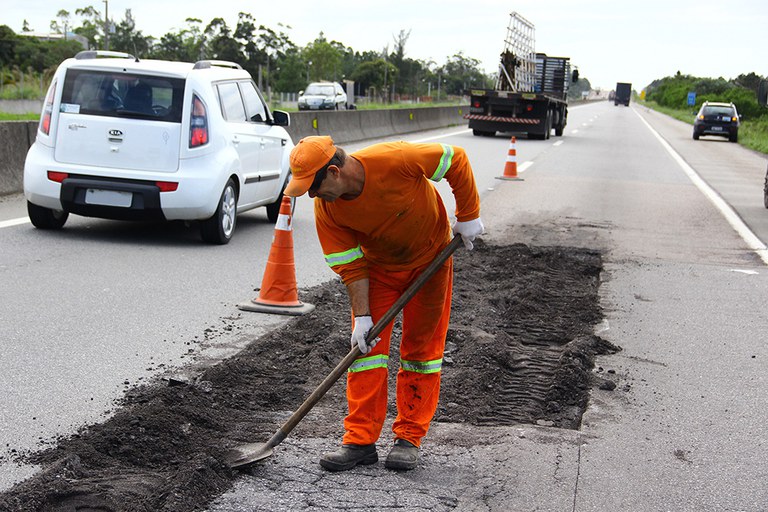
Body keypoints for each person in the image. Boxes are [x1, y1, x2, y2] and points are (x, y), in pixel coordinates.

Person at [284, 135, 483, 471]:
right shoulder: (328, 209)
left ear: (334, 172)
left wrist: (468, 215)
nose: (313, 196)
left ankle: (409, 437)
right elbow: (350, 264)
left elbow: (456, 159)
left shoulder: (396, 159)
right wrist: (362, 317)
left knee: (422, 352)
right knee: (365, 353)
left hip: (431, 260)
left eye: (314, 187)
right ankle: (360, 441)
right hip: (379, 272)